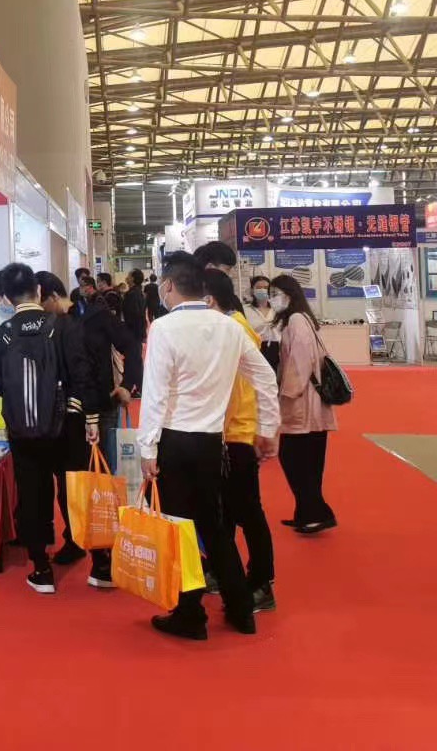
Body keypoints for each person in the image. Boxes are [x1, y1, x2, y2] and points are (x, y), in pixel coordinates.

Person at [138, 254, 279, 640]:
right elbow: (266, 378)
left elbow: (155, 393)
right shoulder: (230, 326)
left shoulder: (164, 328)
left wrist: (147, 448)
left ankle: (190, 613)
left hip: (174, 442)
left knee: (180, 530)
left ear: (168, 286)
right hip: (212, 443)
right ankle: (241, 610)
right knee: (215, 528)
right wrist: (268, 427)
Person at [0, 263, 96, 595]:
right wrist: (87, 417)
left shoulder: (1, 334)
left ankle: (41, 568)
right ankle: (99, 561)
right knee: (74, 490)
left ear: (7, 298)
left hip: (23, 430)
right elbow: (82, 373)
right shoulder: (63, 326)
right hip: (66, 425)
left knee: (32, 494)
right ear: (38, 291)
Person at [40, 271, 141, 587]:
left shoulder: (96, 316)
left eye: (41, 302)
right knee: (69, 481)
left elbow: (131, 345)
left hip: (102, 408)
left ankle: (105, 554)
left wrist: (127, 384)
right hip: (68, 415)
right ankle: (75, 539)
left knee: (101, 481)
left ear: (51, 296)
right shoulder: (51, 326)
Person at [202, 268, 278, 613]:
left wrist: (266, 428)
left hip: (238, 434)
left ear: (209, 298)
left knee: (247, 510)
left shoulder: (233, 329)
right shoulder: (226, 326)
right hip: (223, 432)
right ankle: (222, 570)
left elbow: (261, 380)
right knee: (225, 511)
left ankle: (261, 582)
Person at [267, 274, 339, 534]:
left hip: (302, 401)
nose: (272, 299)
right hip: (308, 401)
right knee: (308, 460)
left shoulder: (297, 320)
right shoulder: (301, 319)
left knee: (295, 457)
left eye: (275, 294)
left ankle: (315, 512)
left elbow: (299, 362)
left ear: (289, 295)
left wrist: (285, 394)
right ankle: (308, 512)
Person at [246, 274, 282, 370]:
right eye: (258, 288)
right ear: (252, 290)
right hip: (255, 350)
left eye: (266, 288)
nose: (262, 290)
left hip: (277, 350)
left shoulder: (278, 309)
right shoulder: (245, 310)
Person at [123, 269, 148, 342]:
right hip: (136, 331)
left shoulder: (133, 294)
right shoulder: (137, 292)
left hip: (133, 332)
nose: (126, 278)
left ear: (132, 278)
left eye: (128, 276)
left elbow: (136, 315)